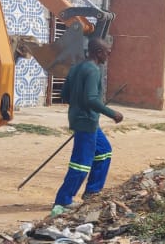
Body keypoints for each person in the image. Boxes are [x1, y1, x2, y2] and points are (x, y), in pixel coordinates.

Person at [51, 38, 123, 215]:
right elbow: (91, 99)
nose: (109, 54)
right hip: (86, 122)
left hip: (83, 119)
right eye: (107, 51)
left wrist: (77, 108)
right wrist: (112, 113)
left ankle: (92, 192)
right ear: (98, 52)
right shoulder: (93, 70)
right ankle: (63, 200)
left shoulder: (76, 67)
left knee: (104, 151)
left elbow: (65, 94)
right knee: (81, 164)